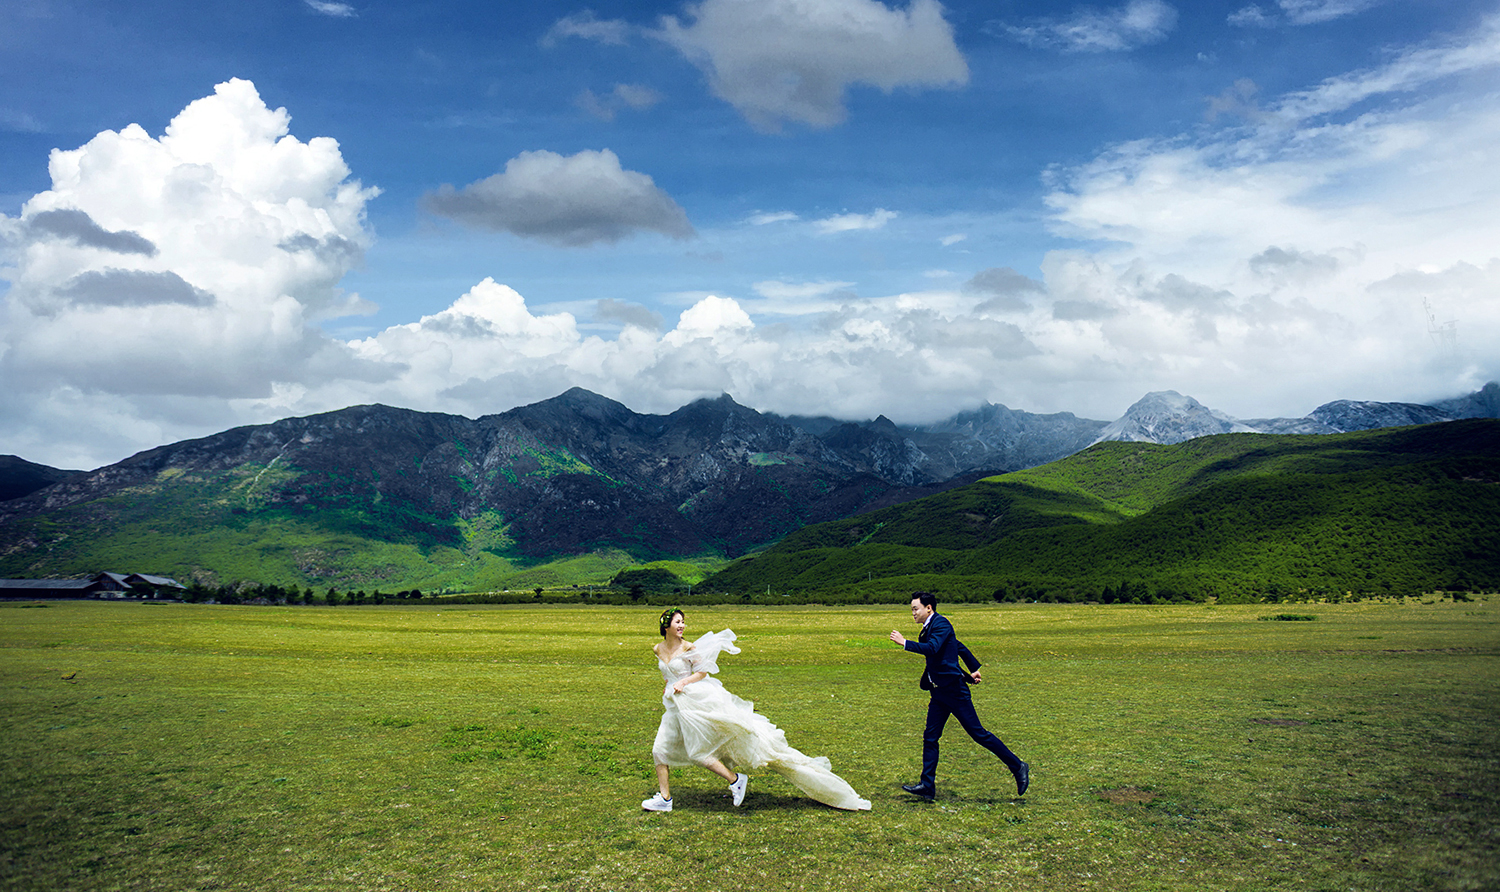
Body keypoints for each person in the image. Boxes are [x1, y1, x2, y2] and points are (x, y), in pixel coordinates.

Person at [643, 607, 871, 812]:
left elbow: (702, 671)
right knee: (659, 751)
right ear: (666, 626)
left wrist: (683, 682)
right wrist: (669, 685)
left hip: (695, 701)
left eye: (683, 622)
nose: (682, 626)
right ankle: (665, 798)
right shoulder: (657, 648)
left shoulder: (688, 647)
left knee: (699, 751)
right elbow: (666, 672)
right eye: (678, 622)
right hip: (673, 705)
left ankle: (735, 780)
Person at [889, 591, 1029, 801]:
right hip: (938, 692)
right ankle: (927, 785)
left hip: (954, 691)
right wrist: (973, 668)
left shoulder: (941, 624)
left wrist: (905, 643)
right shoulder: (930, 627)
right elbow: (958, 645)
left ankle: (1018, 766)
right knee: (930, 737)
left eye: (915, 608)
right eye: (911, 609)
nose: (913, 613)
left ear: (929, 608)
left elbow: (934, 648)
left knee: (978, 734)